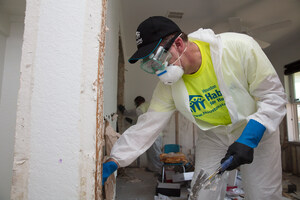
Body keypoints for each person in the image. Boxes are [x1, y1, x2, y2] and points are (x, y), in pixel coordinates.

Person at [102, 16, 287, 199]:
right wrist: (115, 158)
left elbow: (274, 97)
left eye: (160, 59)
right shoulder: (168, 87)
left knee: (263, 194)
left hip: (257, 129)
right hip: (215, 136)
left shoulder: (239, 48)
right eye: (152, 65)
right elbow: (147, 125)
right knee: (202, 192)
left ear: (179, 44)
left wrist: (249, 137)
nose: (159, 69)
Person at [118, 96, 163, 174]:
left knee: (154, 153)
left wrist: (125, 112)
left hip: (151, 133)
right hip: (157, 132)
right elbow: (142, 117)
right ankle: (153, 168)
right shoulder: (149, 105)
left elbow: (142, 121)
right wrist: (130, 118)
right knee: (153, 152)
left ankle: (159, 170)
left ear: (137, 102)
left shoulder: (140, 108)